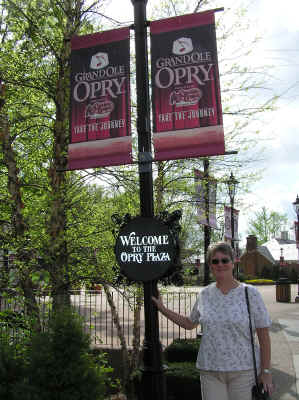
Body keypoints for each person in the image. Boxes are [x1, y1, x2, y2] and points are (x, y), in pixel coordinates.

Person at [152, 241, 274, 400]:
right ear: (210, 265)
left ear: (233, 262)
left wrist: (266, 372)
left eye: (225, 260)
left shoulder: (250, 293)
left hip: (244, 371)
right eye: (215, 261)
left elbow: (264, 337)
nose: (220, 264)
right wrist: (162, 309)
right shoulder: (205, 294)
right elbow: (190, 323)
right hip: (210, 370)